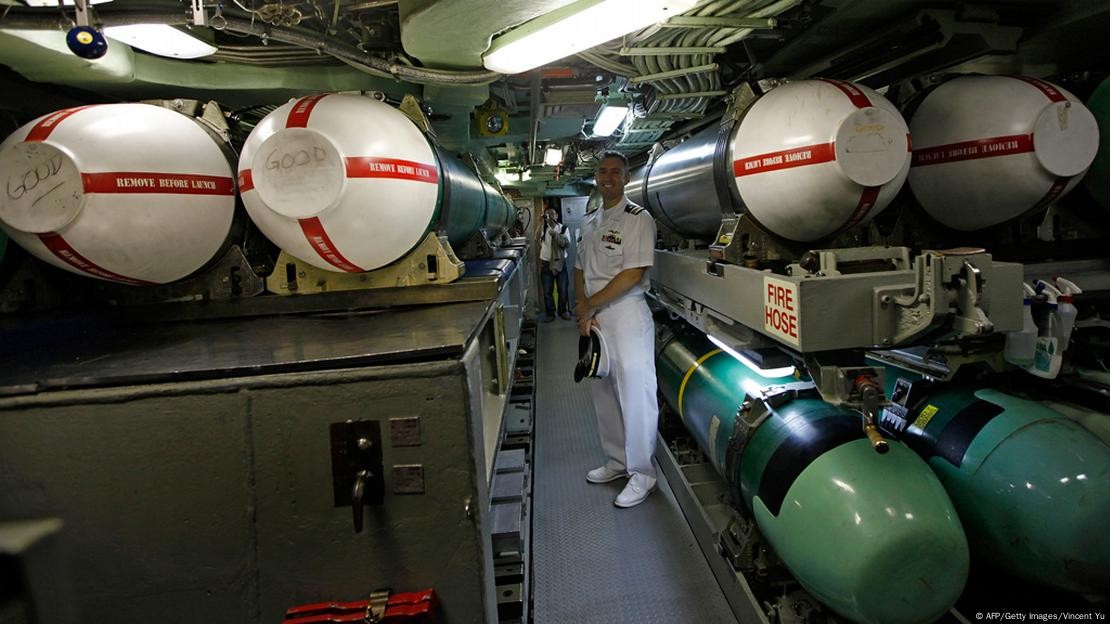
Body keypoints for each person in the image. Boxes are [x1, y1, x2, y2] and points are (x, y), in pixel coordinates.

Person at [572, 151, 659, 508]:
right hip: (596, 318)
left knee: (636, 395)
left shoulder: (638, 219)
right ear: (596, 176)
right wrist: (584, 310)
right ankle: (618, 461)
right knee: (605, 392)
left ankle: (642, 474)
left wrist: (590, 305)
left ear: (626, 178)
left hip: (626, 314)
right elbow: (579, 270)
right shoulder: (590, 221)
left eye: (615, 172)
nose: (608, 177)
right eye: (602, 171)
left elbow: (633, 274)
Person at [538, 207, 572, 322]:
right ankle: (550, 313)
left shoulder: (563, 228)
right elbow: (536, 239)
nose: (550, 216)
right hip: (546, 263)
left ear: (557, 215)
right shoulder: (543, 228)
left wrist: (555, 235)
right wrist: (540, 223)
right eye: (547, 215)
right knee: (547, 291)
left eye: (552, 214)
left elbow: (566, 244)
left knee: (563, 289)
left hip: (560, 263)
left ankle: (563, 311)